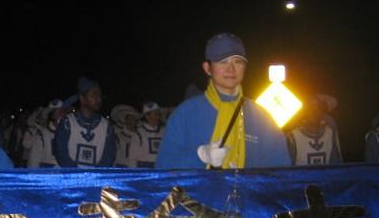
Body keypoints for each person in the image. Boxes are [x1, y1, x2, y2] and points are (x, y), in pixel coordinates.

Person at [155, 33, 291, 169]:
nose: (231, 69)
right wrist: (200, 156)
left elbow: (280, 171)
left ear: (245, 67)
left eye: (237, 61)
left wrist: (246, 181)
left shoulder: (261, 117)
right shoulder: (185, 113)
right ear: (207, 68)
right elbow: (163, 167)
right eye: (223, 61)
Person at [53, 76, 117, 167]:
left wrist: (93, 177)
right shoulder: (67, 123)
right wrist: (78, 176)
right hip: (71, 178)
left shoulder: (107, 126)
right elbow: (61, 153)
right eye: (94, 95)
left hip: (95, 179)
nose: (98, 99)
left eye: (99, 95)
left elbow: (109, 156)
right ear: (82, 98)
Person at [285, 93, 343, 165]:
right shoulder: (293, 137)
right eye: (310, 108)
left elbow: (335, 165)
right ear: (304, 112)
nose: (315, 111)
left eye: (318, 108)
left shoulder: (330, 133)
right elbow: (287, 168)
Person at [27, 98, 65, 168]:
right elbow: (34, 160)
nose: (61, 115)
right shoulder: (42, 135)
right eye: (57, 112)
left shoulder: (68, 133)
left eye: (61, 112)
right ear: (51, 115)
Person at [127, 101, 166, 168]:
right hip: (144, 169)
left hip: (161, 167)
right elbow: (132, 158)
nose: (158, 117)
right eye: (155, 114)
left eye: (158, 114)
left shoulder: (163, 131)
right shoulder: (139, 133)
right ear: (147, 116)